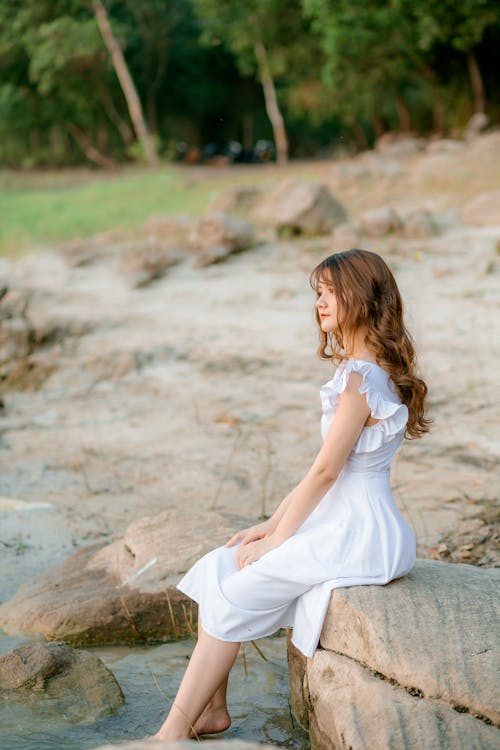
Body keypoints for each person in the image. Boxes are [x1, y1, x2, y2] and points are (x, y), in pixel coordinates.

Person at [152, 248, 431, 740]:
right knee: (225, 560)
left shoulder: (362, 379)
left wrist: (277, 542)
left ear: (361, 297)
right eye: (317, 293)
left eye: (329, 292)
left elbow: (326, 473)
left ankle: (169, 735)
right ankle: (211, 710)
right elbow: (322, 472)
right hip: (346, 519)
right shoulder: (368, 370)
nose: (320, 303)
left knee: (235, 590)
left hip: (357, 533)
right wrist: (267, 526)